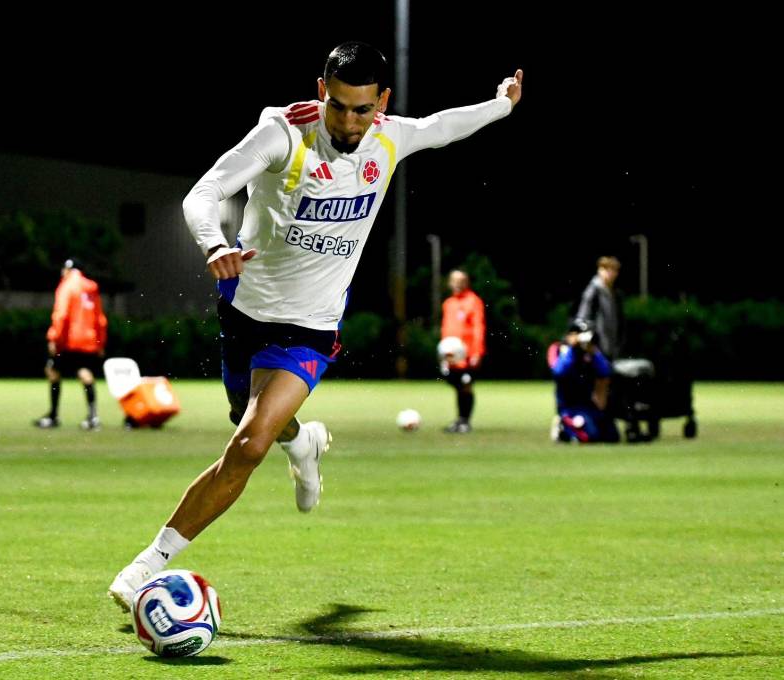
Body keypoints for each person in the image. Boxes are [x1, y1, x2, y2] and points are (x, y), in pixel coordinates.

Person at [108, 41, 523, 610]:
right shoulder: (282, 132)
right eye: (340, 107)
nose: (351, 122)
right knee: (252, 420)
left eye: (364, 109)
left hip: (311, 327)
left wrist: (500, 105)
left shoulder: (389, 136)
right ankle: (304, 442)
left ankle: (144, 566)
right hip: (245, 311)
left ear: (383, 101)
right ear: (322, 91)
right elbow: (203, 194)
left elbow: (442, 126)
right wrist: (214, 245)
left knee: (249, 443)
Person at [33, 258, 107, 431]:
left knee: (52, 371)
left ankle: (53, 415)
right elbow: (100, 319)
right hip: (89, 339)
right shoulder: (91, 288)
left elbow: (61, 314)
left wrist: (54, 337)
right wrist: (100, 342)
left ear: (69, 270)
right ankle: (93, 416)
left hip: (69, 339)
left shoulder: (67, 286)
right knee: (85, 373)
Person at [549, 319, 619, 443]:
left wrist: (594, 352)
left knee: (611, 436)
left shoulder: (591, 354)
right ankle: (562, 426)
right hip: (569, 406)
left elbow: (605, 371)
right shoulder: (560, 349)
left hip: (589, 405)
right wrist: (572, 349)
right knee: (590, 436)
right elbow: (558, 372)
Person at [440, 270, 486, 433]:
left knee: (466, 385)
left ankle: (464, 421)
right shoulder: (448, 303)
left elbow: (478, 327)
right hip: (451, 356)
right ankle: (460, 420)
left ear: (466, 283)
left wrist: (476, 352)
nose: (457, 284)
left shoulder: (473, 301)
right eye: (454, 280)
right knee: (458, 386)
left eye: (461, 281)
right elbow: (445, 329)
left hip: (467, 355)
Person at [576, 256, 624, 361]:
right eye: (609, 270)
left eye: (615, 270)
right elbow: (582, 317)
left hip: (610, 344)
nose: (613, 274)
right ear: (600, 270)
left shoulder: (615, 293)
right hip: (596, 345)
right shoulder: (593, 291)